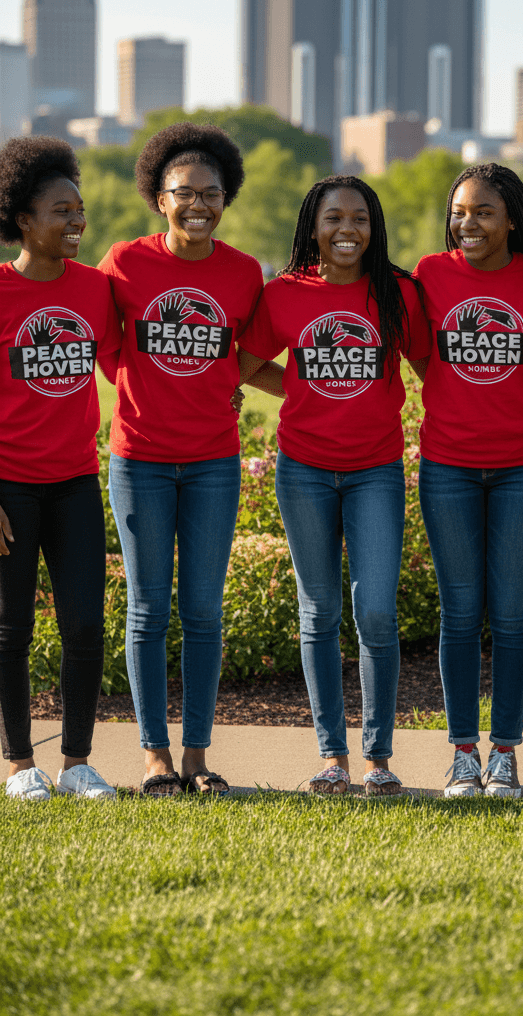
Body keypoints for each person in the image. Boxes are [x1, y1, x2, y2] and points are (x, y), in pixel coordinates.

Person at [238, 175, 432, 795]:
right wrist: (296, 387)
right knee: (318, 612)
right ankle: (332, 758)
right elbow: (244, 364)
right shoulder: (285, 294)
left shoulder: (398, 293)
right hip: (305, 470)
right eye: (333, 218)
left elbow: (431, 366)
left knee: (375, 610)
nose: (347, 229)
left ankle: (377, 757)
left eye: (360, 218)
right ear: (312, 227)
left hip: (376, 470)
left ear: (374, 228)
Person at [100, 123, 262, 797]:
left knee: (202, 609)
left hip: (213, 463)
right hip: (139, 459)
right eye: (184, 192)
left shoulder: (243, 271)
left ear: (226, 198)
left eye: (212, 193)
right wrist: (143, 391)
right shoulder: (125, 262)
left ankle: (196, 756)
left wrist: (221, 387)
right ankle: (154, 757)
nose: (199, 203)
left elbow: (249, 353)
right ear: (158, 199)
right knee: (147, 609)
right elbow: (108, 347)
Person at [412, 163, 523, 797]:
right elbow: (422, 352)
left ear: (512, 220)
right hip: (447, 464)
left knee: (512, 613)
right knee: (461, 612)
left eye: (484, 212)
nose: (467, 224)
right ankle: (464, 754)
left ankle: (505, 753)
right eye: (460, 211)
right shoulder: (431, 273)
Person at [0, 137, 122, 801]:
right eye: (61, 211)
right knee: (10, 630)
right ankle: (21, 767)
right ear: (23, 219)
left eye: (80, 210)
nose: (77, 221)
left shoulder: (96, 289)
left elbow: (123, 366)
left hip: (75, 481)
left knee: (83, 625)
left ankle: (76, 762)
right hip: (8, 486)